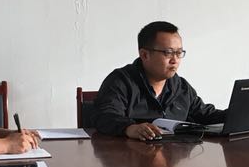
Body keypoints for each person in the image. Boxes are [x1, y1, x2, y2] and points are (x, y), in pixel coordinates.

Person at [93, 20, 225, 140]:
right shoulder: (120, 81)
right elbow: (105, 116)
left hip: (172, 155)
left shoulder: (181, 87)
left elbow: (206, 115)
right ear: (145, 55)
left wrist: (235, 115)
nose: (175, 60)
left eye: (179, 53)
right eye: (168, 53)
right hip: (131, 155)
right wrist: (130, 128)